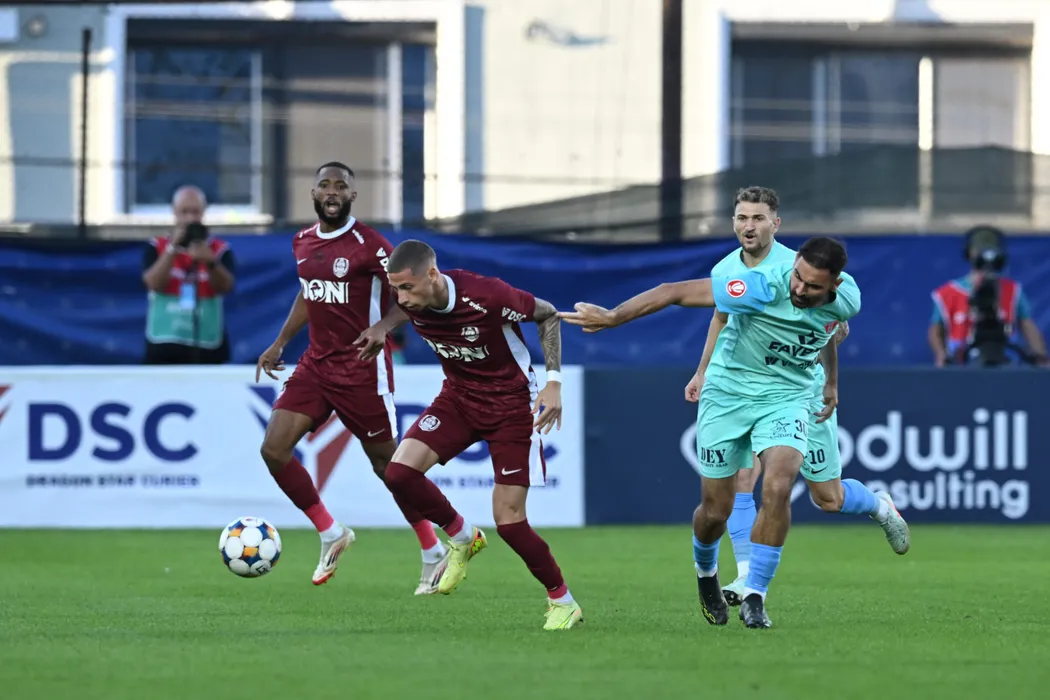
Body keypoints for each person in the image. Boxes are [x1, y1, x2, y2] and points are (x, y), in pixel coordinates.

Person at [561, 237, 890, 629]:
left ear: (835, 285)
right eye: (798, 278)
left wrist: (831, 382)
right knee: (716, 511)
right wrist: (613, 316)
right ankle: (706, 573)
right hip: (729, 395)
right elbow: (673, 291)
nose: (800, 289)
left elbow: (826, 330)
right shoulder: (761, 285)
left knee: (779, 485)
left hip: (786, 397)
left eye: (813, 286)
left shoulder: (848, 299)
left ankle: (755, 595)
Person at [684, 187, 909, 607]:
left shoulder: (796, 269)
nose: (748, 226)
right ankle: (747, 578)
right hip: (750, 391)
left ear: (775, 223)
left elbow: (827, 330)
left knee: (829, 498)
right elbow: (720, 319)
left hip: (801, 390)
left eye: (757, 218)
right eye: (741, 217)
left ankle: (879, 506)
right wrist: (702, 371)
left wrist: (831, 383)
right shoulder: (726, 270)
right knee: (745, 479)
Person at [358, 239, 583, 630]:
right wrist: (382, 327)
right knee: (398, 473)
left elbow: (548, 314)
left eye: (407, 287)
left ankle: (563, 601)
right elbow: (403, 307)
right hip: (458, 400)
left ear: (433, 274)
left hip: (511, 406)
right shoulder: (412, 299)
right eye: (395, 289)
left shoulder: (487, 295)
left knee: (510, 522)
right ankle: (462, 536)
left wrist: (554, 383)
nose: (401, 297)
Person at [255, 162, 446, 593]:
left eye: (340, 186)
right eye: (324, 185)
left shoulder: (371, 245)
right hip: (316, 365)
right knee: (274, 449)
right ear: (313, 194)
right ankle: (331, 532)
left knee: (389, 467)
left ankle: (432, 548)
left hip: (362, 368)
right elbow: (309, 292)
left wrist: (383, 328)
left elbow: (414, 293)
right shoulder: (302, 241)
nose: (332, 191)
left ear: (352, 196)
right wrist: (280, 342)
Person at [929, 225, 1048, 367]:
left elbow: (1027, 325)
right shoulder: (947, 293)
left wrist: (1041, 357)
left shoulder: (1013, 291)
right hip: (962, 365)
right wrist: (941, 355)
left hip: (1004, 362)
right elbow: (936, 330)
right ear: (969, 253)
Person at [141, 185, 236, 364]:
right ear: (174, 212)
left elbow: (226, 286)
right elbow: (152, 283)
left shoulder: (219, 250)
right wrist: (173, 248)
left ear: (204, 212)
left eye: (195, 212)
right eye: (184, 212)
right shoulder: (156, 247)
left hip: (207, 348)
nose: (190, 218)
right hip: (163, 347)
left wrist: (210, 262)